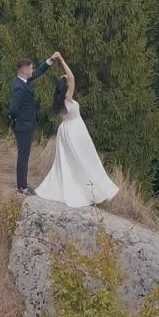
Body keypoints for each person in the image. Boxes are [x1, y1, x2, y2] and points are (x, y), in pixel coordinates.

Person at [34, 52, 120, 207]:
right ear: (67, 88)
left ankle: (75, 186)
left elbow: (69, 79)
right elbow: (72, 76)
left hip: (65, 131)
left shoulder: (59, 102)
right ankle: (87, 189)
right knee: (85, 159)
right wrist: (61, 60)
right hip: (75, 129)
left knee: (67, 162)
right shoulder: (68, 98)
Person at [8, 54, 56, 194]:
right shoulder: (19, 87)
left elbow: (39, 71)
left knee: (25, 155)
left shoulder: (25, 80)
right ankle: (21, 187)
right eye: (30, 68)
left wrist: (51, 60)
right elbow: (13, 109)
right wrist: (17, 121)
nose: (32, 70)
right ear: (23, 70)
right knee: (23, 156)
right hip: (23, 126)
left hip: (27, 124)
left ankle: (23, 184)